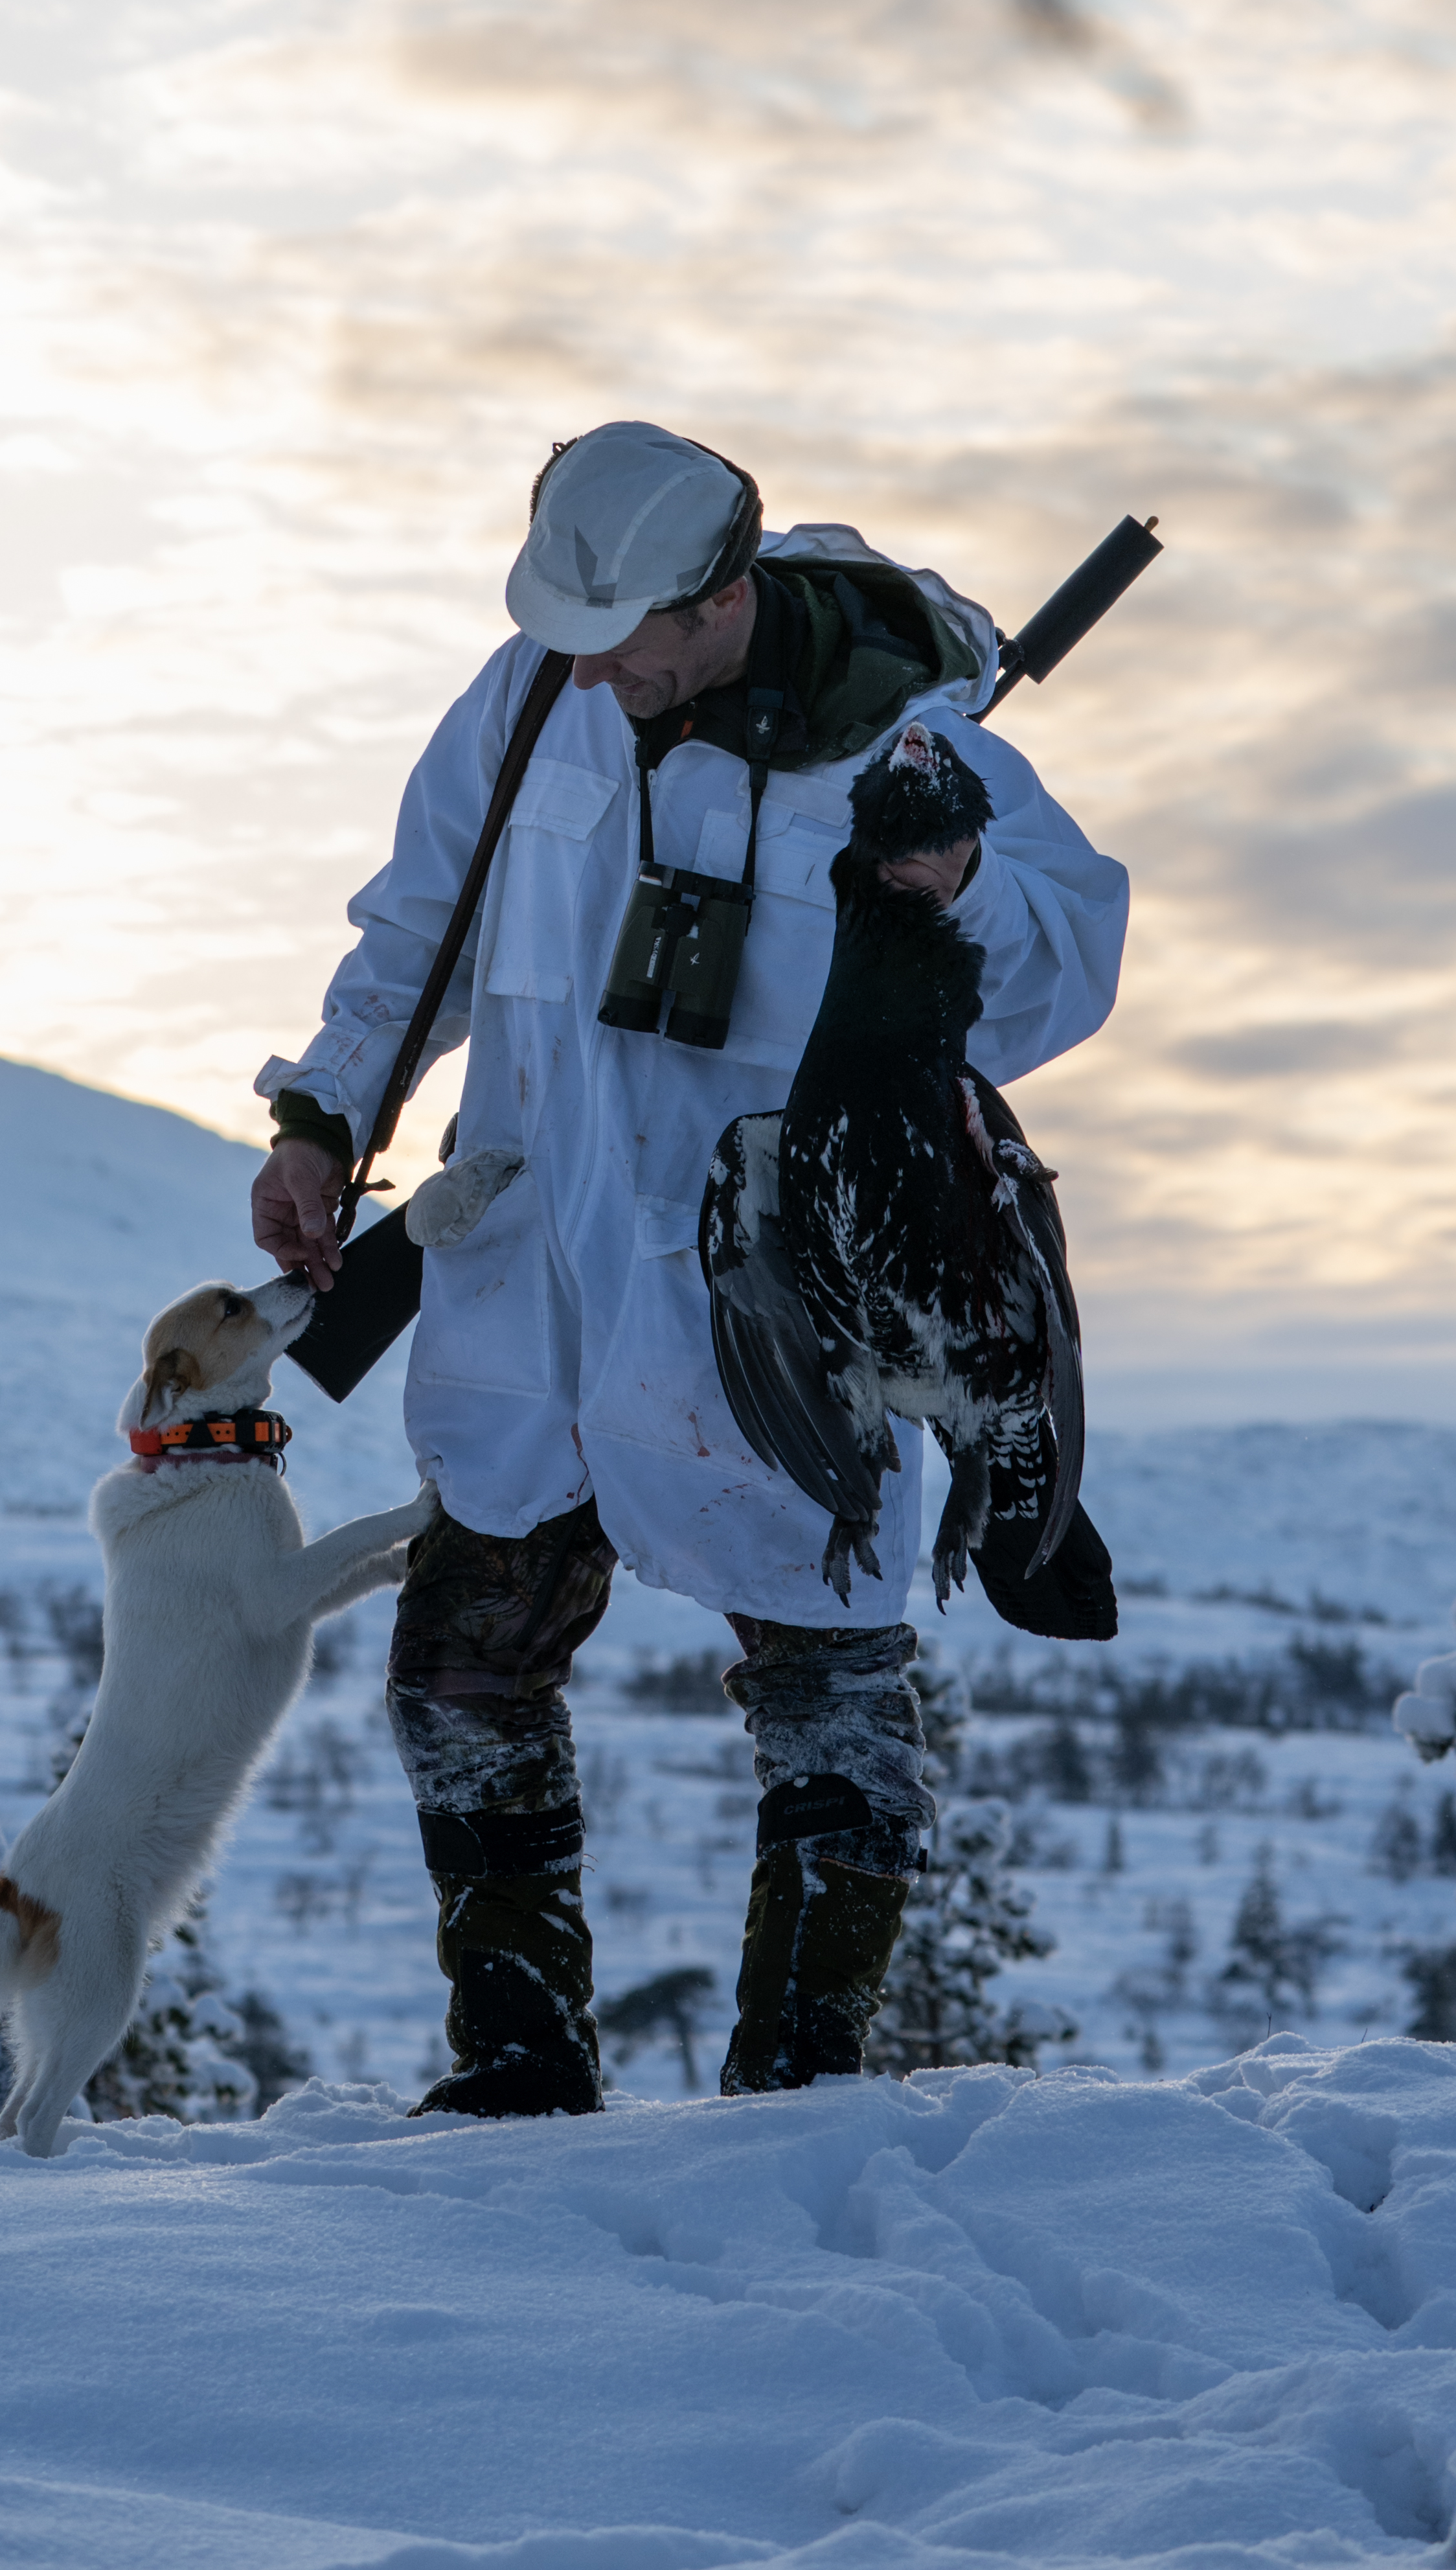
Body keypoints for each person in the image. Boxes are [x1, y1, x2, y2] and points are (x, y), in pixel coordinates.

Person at [249, 422, 1128, 2115]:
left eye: (632, 634)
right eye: (571, 629)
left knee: (828, 1669)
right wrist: (321, 1119)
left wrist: (953, 895)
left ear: (721, 596)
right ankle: (515, 2064)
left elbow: (1058, 966)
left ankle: (795, 2089)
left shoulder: (904, 734)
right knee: (462, 1653)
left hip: (770, 1281)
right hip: (531, 1260)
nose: (599, 665)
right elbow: (410, 934)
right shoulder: (529, 696)